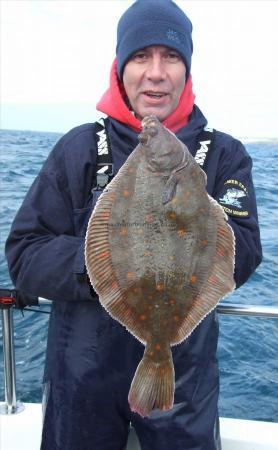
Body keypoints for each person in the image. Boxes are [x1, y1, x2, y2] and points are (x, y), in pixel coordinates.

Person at [5, 1, 262, 449]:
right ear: (120, 67)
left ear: (188, 70)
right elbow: (25, 254)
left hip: (185, 386)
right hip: (80, 378)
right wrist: (109, 267)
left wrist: (192, 227)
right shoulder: (79, 147)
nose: (156, 72)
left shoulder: (225, 155)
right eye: (141, 56)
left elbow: (245, 252)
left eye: (172, 57)